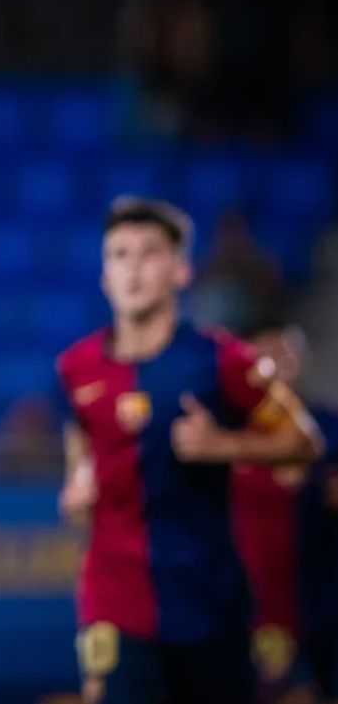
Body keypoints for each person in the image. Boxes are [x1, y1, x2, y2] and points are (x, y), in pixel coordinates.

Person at [55, 197, 324, 704]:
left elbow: (305, 441)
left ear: (181, 271)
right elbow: (79, 470)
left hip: (211, 603)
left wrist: (222, 444)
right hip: (116, 601)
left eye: (149, 253)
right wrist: (75, 493)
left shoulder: (222, 360)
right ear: (104, 276)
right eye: (119, 255)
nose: (133, 268)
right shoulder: (75, 369)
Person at [231, 321, 338, 704]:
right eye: (269, 353)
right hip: (251, 601)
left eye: (290, 352)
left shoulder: (328, 426)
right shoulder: (228, 433)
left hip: (322, 596)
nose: (281, 362)